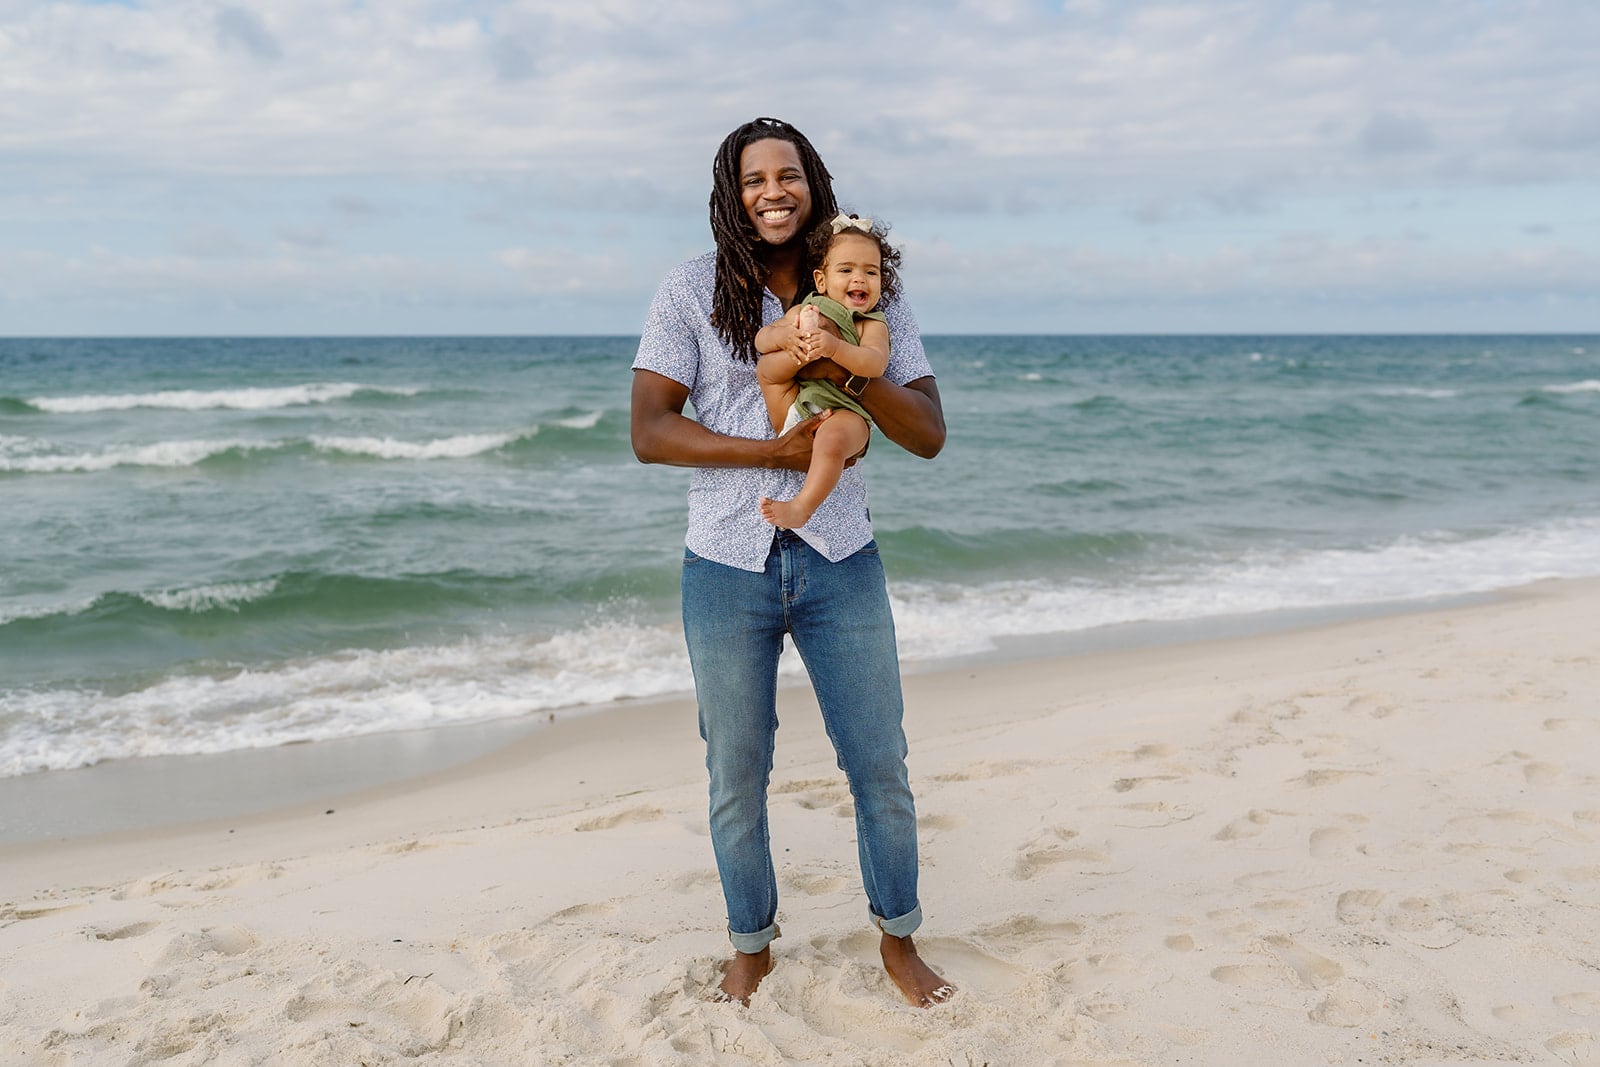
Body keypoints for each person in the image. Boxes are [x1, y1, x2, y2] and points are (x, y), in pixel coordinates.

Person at [630, 117, 953, 1008]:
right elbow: (649, 431)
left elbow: (926, 432)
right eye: (752, 180)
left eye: (787, 175)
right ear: (731, 196)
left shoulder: (868, 285)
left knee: (878, 761)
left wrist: (848, 362)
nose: (771, 191)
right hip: (725, 564)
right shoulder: (692, 288)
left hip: (841, 556)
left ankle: (898, 938)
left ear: (813, 181)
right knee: (736, 770)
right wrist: (771, 455)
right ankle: (751, 945)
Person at [754, 213, 899, 535]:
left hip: (847, 413)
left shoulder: (871, 323)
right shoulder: (807, 310)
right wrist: (784, 339)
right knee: (768, 368)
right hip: (797, 405)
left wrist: (834, 348)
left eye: (870, 272)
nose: (859, 279)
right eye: (846, 270)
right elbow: (761, 340)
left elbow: (874, 364)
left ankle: (801, 506)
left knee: (832, 440)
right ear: (821, 281)